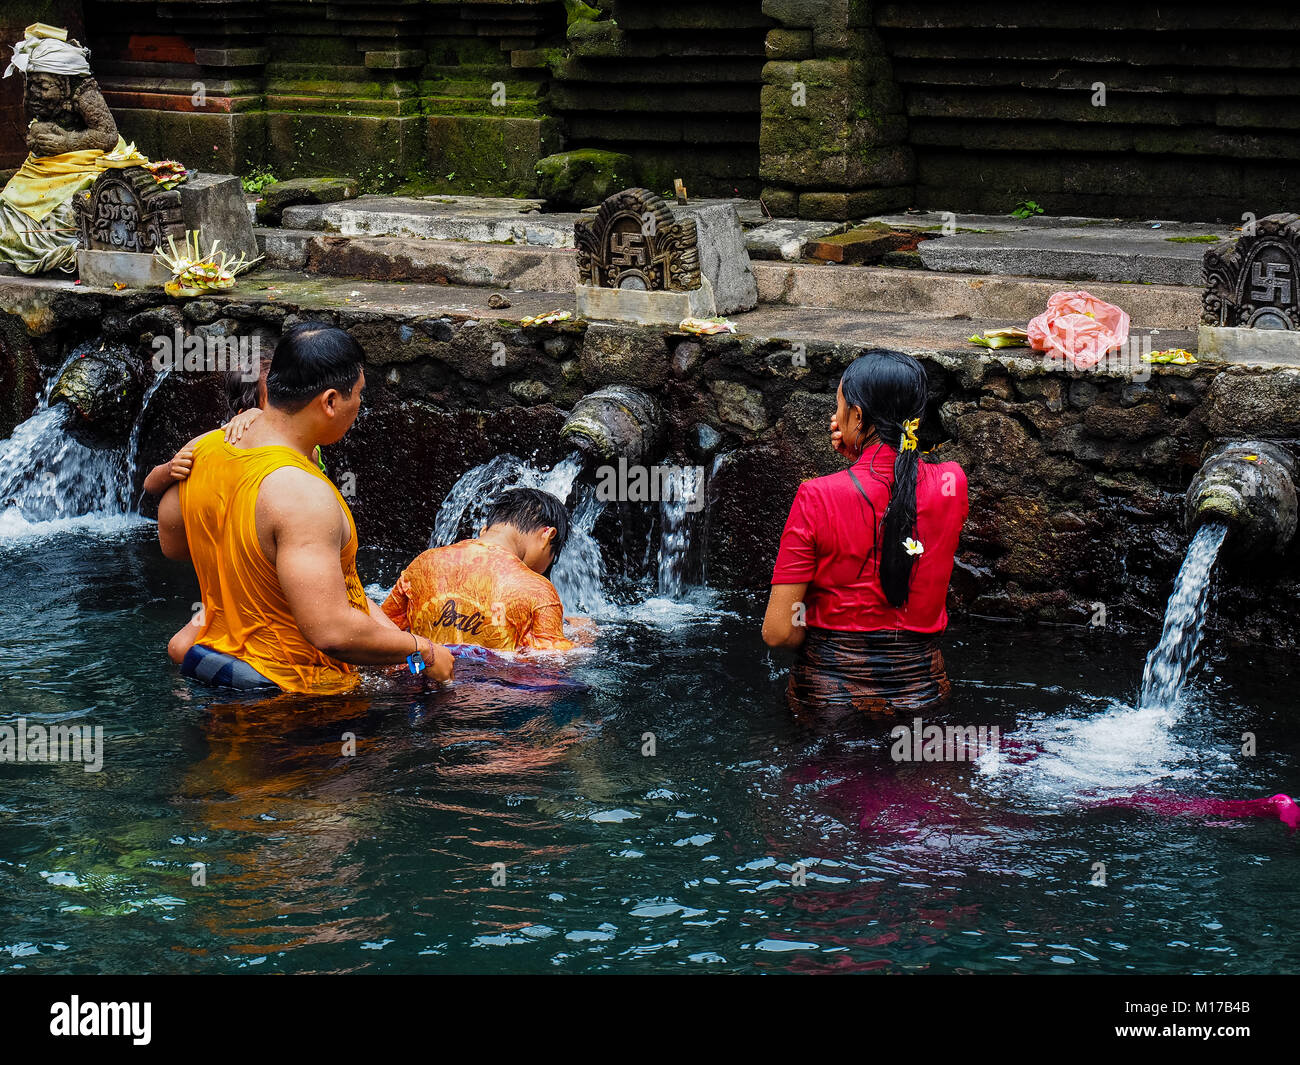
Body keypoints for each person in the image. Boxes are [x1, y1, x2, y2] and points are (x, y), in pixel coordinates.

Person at [156, 322, 453, 692]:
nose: (360, 406)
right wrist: (422, 649)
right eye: (358, 395)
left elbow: (174, 546)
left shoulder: (203, 451)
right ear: (329, 401)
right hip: (295, 701)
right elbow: (330, 631)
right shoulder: (302, 494)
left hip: (214, 672)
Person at [761, 348, 968, 716]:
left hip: (830, 702)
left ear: (857, 415)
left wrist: (857, 467)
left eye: (840, 406)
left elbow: (779, 632)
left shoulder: (817, 495)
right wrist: (863, 461)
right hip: (921, 697)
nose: (835, 416)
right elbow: (898, 492)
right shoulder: (953, 481)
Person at [382, 488, 585, 654]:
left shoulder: (424, 563)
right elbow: (549, 666)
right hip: (492, 697)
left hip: (420, 686)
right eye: (552, 556)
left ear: (485, 529)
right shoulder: (537, 589)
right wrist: (584, 637)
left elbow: (382, 630)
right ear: (548, 535)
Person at [0, 24, 127, 273]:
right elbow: (38, 122)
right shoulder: (36, 95)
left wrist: (66, 143)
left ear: (65, 84)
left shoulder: (84, 94)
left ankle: (44, 244)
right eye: (30, 84)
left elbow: (108, 135)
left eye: (42, 86)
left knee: (66, 213)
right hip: (44, 169)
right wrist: (37, 136)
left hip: (86, 165)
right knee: (9, 206)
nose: (34, 92)